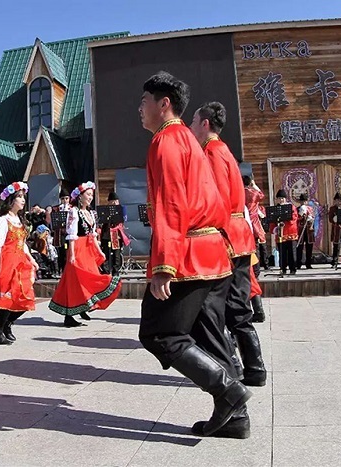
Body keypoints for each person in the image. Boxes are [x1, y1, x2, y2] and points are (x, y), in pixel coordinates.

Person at [136, 71, 251, 438]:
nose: (139, 109)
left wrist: (163, 265)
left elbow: (171, 203)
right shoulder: (189, 139)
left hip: (188, 254)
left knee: (159, 333)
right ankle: (237, 419)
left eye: (143, 102)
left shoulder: (166, 141)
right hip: (214, 251)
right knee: (209, 332)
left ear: (163, 104)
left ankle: (228, 391)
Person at [190, 101, 265, 387]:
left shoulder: (210, 153)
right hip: (240, 236)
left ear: (205, 123)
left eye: (194, 121)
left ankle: (231, 366)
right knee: (236, 305)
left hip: (224, 237)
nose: (191, 126)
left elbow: (214, 199)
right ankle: (254, 367)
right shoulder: (225, 151)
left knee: (214, 308)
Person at [48, 181, 121, 327]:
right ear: (80, 197)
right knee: (75, 280)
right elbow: (72, 235)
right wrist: (72, 255)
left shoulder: (91, 213)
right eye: (88, 194)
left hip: (88, 250)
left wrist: (100, 251)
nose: (90, 197)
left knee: (90, 277)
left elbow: (93, 235)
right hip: (78, 248)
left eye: (91, 195)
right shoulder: (74, 212)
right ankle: (69, 315)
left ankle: (83, 306)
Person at [0, 182, 38, 344]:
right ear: (11, 200)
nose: (22, 200)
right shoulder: (3, 220)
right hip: (8, 262)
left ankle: (8, 324)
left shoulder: (19, 220)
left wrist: (31, 259)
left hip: (21, 262)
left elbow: (23, 243)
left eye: (23, 197)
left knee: (27, 297)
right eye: (19, 197)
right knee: (7, 298)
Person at [99, 191, 128, 276]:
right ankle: (106, 270)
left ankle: (116, 271)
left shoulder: (121, 209)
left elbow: (124, 219)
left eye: (116, 201)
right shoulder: (105, 210)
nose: (114, 202)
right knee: (106, 253)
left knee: (116, 254)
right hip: (106, 234)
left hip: (116, 234)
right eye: (112, 201)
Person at [271, 190, 299, 276]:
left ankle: (292, 268)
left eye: (282, 198)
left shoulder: (291, 207)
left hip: (290, 232)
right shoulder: (275, 209)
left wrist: (286, 220)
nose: (281, 200)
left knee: (291, 252)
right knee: (282, 252)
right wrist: (275, 228)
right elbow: (272, 222)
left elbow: (295, 217)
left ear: (285, 199)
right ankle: (282, 268)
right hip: (280, 233)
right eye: (279, 198)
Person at [244, 176, 269, 269]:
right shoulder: (253, 193)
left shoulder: (240, 193)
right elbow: (261, 195)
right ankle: (257, 268)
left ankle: (250, 268)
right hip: (254, 221)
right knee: (257, 246)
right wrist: (254, 185)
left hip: (244, 221)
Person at [327, 193, 341, 269]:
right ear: (335, 201)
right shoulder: (332, 209)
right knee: (336, 246)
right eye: (337, 200)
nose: (339, 202)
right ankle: (334, 262)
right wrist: (336, 217)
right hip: (337, 229)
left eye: (340, 200)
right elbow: (330, 219)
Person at [295, 193, 315, 269]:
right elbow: (296, 220)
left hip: (309, 230)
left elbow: (313, 218)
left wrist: (311, 218)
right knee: (299, 247)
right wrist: (300, 215)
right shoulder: (297, 209)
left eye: (305, 201)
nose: (303, 203)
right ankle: (298, 263)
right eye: (302, 201)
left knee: (309, 247)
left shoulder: (310, 209)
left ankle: (308, 263)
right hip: (301, 230)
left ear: (307, 201)